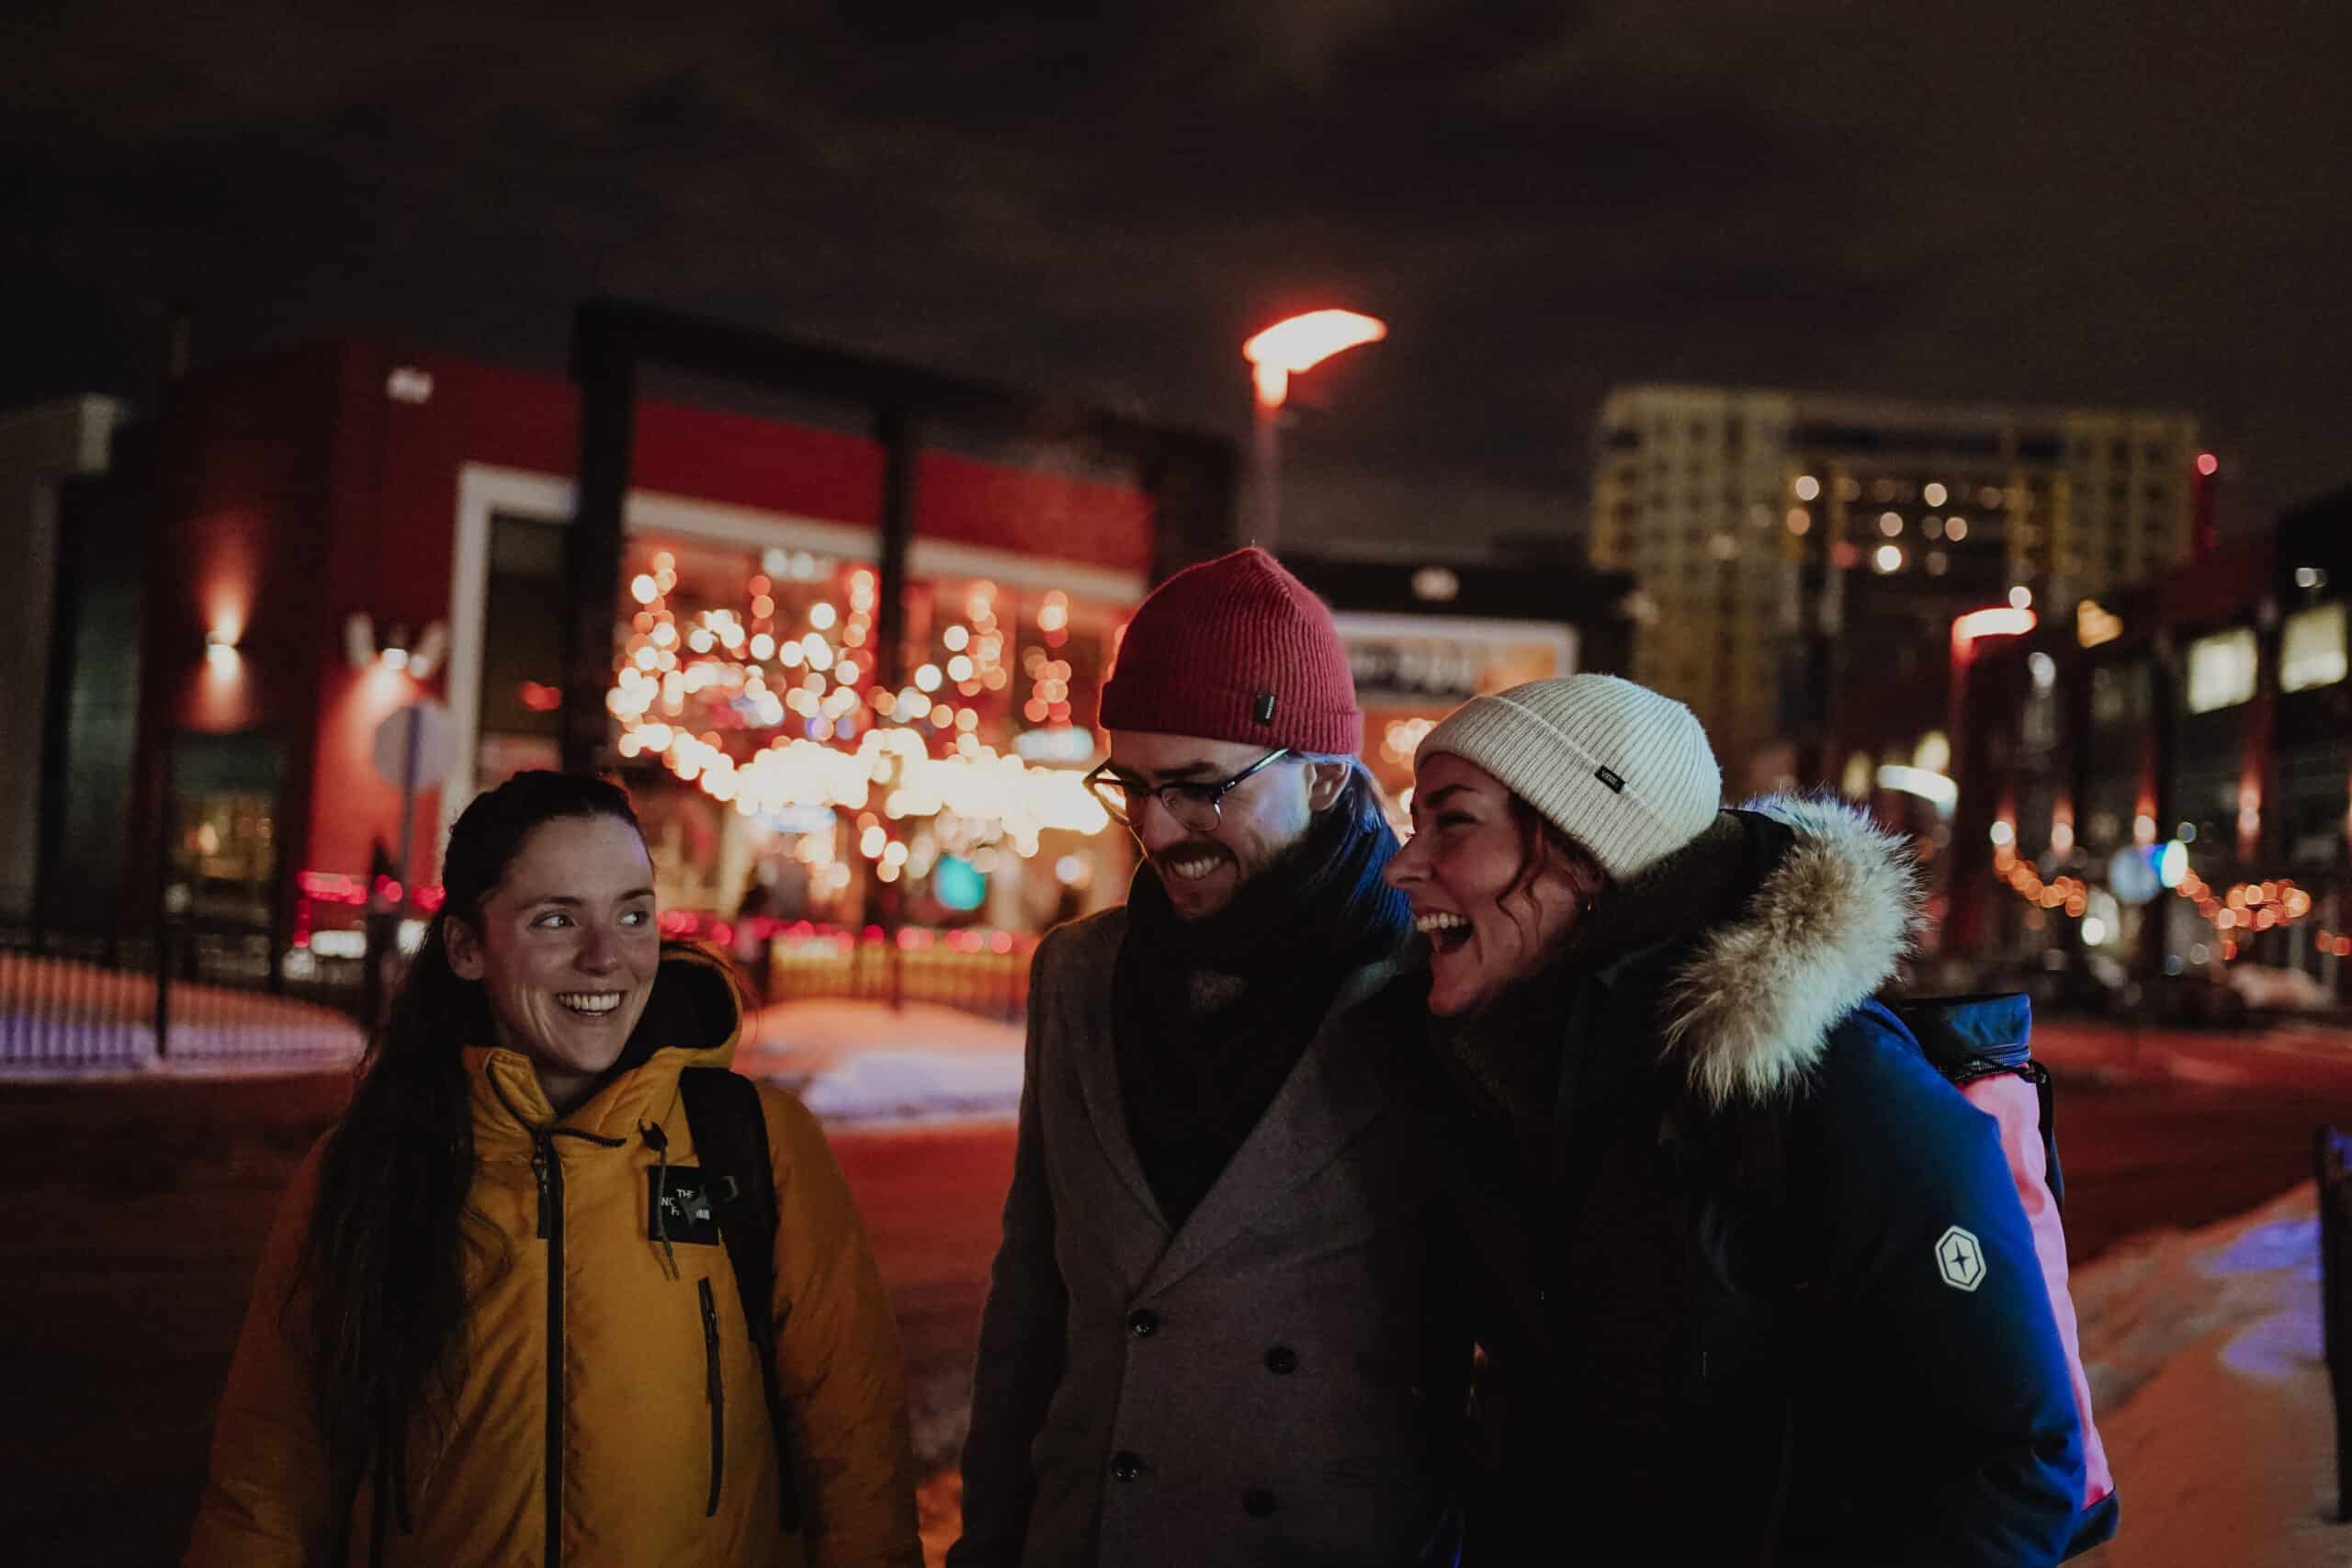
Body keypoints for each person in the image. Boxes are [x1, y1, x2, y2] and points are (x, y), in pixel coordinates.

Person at [1384, 675, 2087, 1565]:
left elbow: (2017, 1459)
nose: (1401, 865)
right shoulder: (1508, 1074)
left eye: (1452, 822)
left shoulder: (1832, 1079)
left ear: (1586, 847)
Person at [186, 771, 922, 1567]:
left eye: (632, 913)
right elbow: (267, 1489)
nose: (606, 956)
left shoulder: (755, 1148)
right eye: (557, 918)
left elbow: (859, 1475)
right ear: (468, 945)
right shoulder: (366, 1166)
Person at [949, 547, 1473, 1567]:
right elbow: (1031, 1304)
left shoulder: (1432, 981)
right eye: (1130, 786)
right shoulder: (1080, 974)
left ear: (1322, 777)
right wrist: (991, 1540)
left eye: (1197, 787)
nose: (1154, 827)